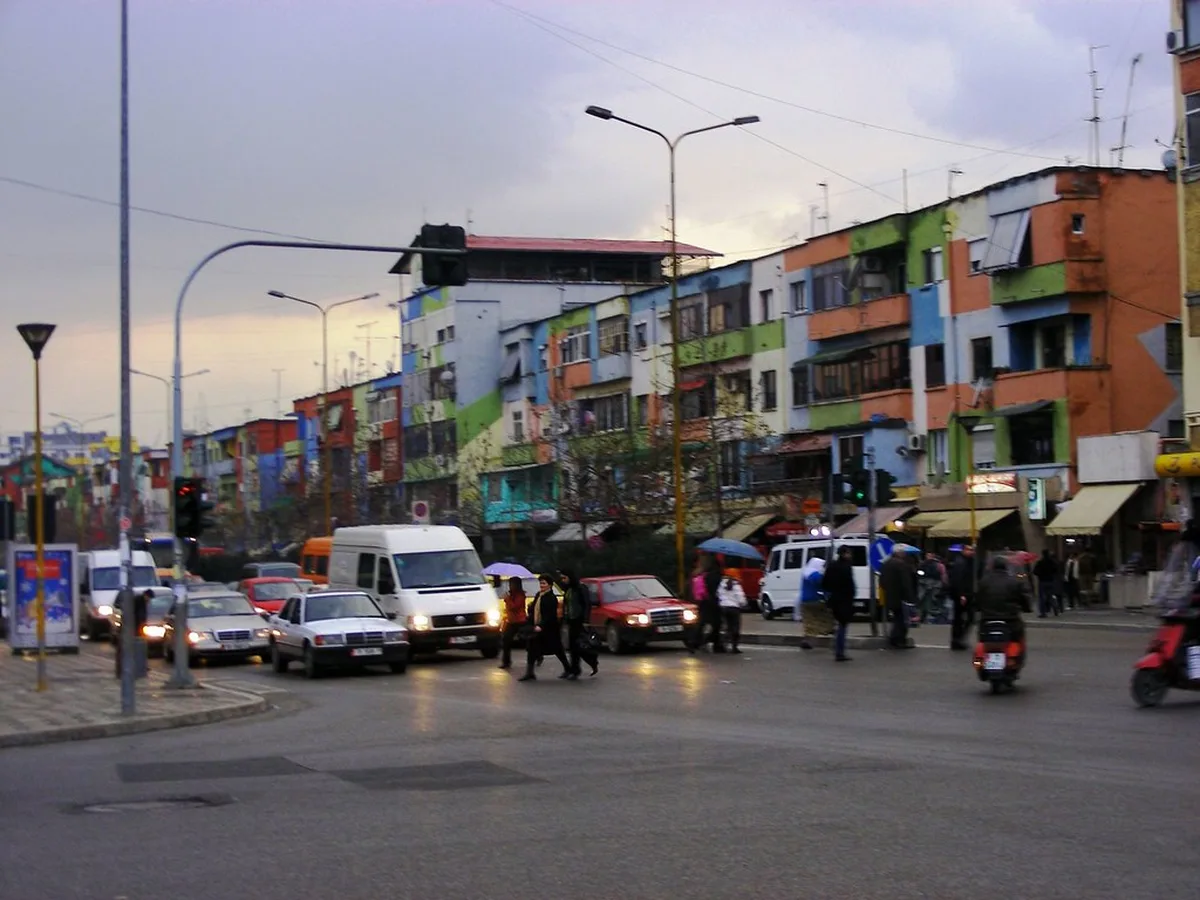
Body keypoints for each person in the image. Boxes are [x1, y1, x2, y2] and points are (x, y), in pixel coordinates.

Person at [519, 575, 570, 682]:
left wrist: (541, 626)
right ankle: (530, 673)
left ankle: (568, 669)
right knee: (532, 648)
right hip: (537, 627)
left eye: (544, 583)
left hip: (549, 629)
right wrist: (530, 610)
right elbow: (534, 610)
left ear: (550, 585)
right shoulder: (539, 595)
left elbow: (550, 615)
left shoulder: (551, 598)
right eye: (540, 583)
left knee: (557, 650)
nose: (541, 585)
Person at [975, 555, 1032, 650]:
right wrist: (1027, 608)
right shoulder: (1014, 582)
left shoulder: (984, 582)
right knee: (1018, 636)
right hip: (1010, 619)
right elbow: (1023, 598)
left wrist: (978, 607)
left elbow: (978, 598)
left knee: (982, 637)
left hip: (988, 618)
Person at [560, 570, 598, 679]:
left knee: (580, 646)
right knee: (573, 647)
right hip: (571, 621)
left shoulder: (580, 588)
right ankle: (574, 669)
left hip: (579, 621)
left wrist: (586, 620)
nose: (563, 580)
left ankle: (585, 665)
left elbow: (586, 604)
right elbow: (567, 605)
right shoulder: (568, 589)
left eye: (564, 578)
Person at [822, 546, 856, 662]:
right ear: (845, 554)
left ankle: (837, 648)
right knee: (842, 626)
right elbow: (849, 584)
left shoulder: (832, 566)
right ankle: (839, 651)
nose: (850, 555)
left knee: (839, 625)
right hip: (844, 600)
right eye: (849, 553)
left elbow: (825, 583)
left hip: (834, 599)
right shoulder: (846, 567)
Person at [880, 546, 915, 649]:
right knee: (902, 620)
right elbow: (906, 583)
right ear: (899, 553)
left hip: (890, 596)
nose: (904, 554)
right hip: (900, 597)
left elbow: (882, 581)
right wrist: (910, 597)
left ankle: (894, 638)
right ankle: (899, 640)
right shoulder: (901, 564)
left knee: (897, 618)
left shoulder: (886, 564)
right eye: (903, 552)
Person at [797, 557, 828, 650]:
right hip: (815, 600)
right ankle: (820, 634)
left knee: (808, 621)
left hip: (804, 601)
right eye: (822, 565)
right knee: (819, 618)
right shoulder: (815, 574)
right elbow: (821, 584)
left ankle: (807, 640)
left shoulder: (805, 572)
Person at [499, 576, 526, 670]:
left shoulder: (520, 595)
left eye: (512, 584)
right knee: (506, 640)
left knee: (525, 641)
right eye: (510, 584)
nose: (510, 586)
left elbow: (515, 607)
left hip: (520, 621)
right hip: (511, 621)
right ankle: (506, 661)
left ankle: (537, 656)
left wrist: (507, 599)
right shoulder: (511, 594)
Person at [716, 570, 747, 654]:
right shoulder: (736, 585)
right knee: (735, 628)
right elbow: (741, 598)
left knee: (726, 627)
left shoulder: (721, 585)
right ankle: (734, 647)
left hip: (723, 607)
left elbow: (718, 595)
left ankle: (723, 645)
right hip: (734, 609)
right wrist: (744, 604)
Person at [1033, 549, 1059, 618]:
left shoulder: (1040, 562)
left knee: (1042, 597)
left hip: (1042, 581)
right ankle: (1055, 606)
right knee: (1051, 595)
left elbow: (1035, 572)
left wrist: (1040, 574)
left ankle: (1043, 613)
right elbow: (1056, 570)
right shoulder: (1052, 562)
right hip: (1050, 580)